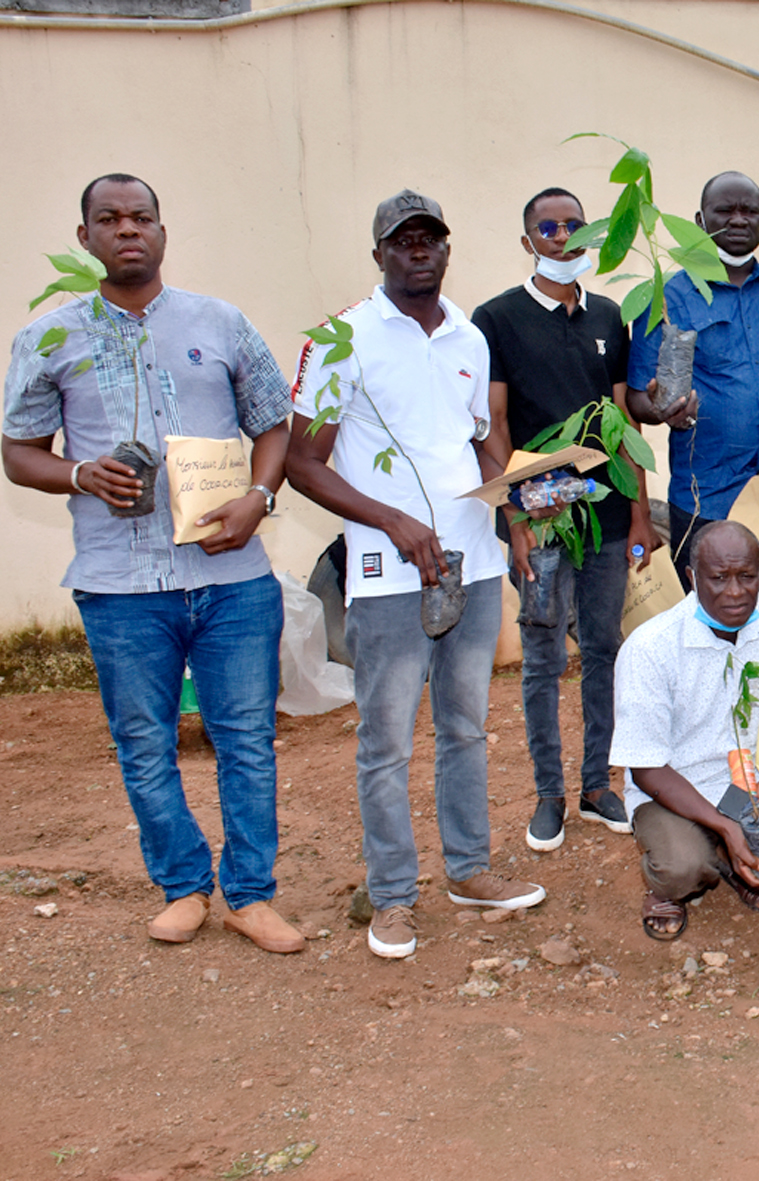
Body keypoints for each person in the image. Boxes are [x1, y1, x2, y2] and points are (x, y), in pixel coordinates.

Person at [0, 174, 304, 954]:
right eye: (110, 218)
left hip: (232, 580)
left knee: (245, 739)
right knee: (144, 742)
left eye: (142, 217)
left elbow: (273, 423)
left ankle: (250, 894)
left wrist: (259, 499)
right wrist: (78, 472)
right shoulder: (50, 338)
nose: (127, 229)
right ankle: (182, 886)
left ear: (163, 233)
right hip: (121, 585)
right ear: (86, 237)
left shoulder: (222, 323)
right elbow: (18, 452)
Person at [288, 190, 545, 959]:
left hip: (469, 561)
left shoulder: (468, 334)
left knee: (465, 726)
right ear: (379, 255)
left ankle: (468, 869)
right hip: (387, 572)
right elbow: (303, 461)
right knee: (387, 741)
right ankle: (395, 895)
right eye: (402, 240)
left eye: (431, 237)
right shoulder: (343, 338)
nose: (419, 249)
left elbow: (478, 445)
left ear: (446, 247)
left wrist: (520, 509)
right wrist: (390, 521)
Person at [471, 187, 650, 852]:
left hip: (603, 520)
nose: (563, 235)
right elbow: (491, 426)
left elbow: (624, 419)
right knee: (544, 656)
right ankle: (548, 794)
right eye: (548, 226)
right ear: (527, 240)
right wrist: (515, 516)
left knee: (604, 649)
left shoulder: (608, 315)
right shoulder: (496, 319)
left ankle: (598, 784)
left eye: (575, 225)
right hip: (541, 524)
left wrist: (638, 513)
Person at [611, 521, 759, 941]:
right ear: (692, 578)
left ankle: (748, 864)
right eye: (719, 578)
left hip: (753, 777)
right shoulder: (650, 648)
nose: (736, 591)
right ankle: (683, 877)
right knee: (682, 867)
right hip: (677, 784)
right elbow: (647, 769)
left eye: (747, 576)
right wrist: (726, 827)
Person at [626, 172, 759, 619]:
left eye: (749, 211)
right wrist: (665, 412)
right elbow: (638, 399)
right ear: (700, 220)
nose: (739, 219)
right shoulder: (667, 296)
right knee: (713, 628)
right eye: (725, 211)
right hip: (708, 497)